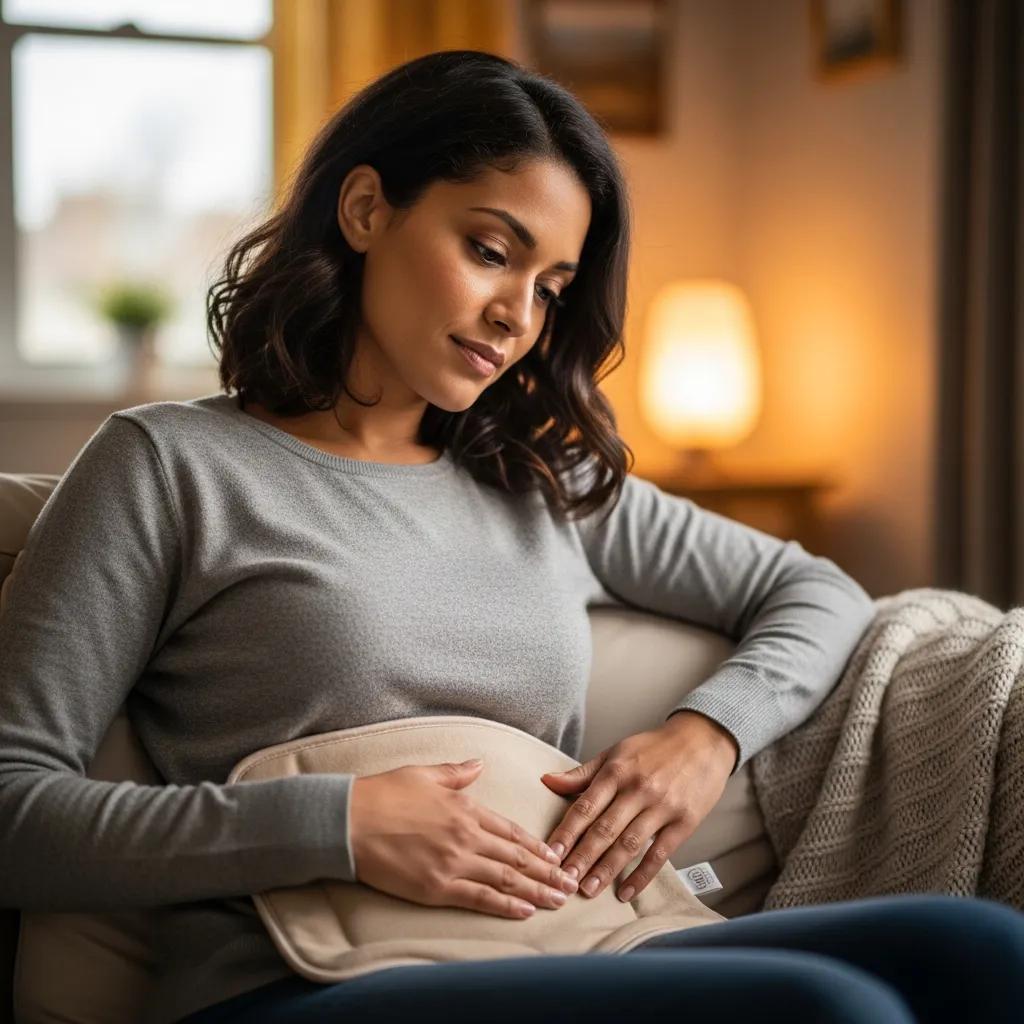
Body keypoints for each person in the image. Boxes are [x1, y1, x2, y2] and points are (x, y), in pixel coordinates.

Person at [1, 48, 1021, 1024]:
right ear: (365, 209)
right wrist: (337, 826)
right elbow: (16, 810)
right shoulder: (165, 465)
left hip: (584, 941)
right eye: (490, 251)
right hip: (301, 985)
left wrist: (702, 736)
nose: (515, 316)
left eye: (550, 288)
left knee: (977, 945)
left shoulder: (537, 475)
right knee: (829, 1011)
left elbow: (815, 589)